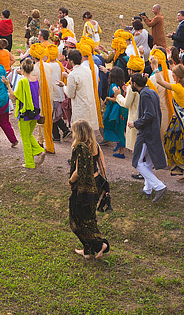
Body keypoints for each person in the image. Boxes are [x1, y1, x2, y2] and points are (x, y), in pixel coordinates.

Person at [68, 120, 110, 259]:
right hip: (96, 183)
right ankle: (87, 250)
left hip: (84, 187)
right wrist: (105, 186)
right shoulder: (96, 146)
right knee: (89, 217)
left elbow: (78, 171)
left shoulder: (81, 148)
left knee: (76, 218)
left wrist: (70, 181)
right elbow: (102, 166)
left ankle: (99, 245)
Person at [128, 74, 168, 202]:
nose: (130, 84)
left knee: (137, 163)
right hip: (153, 131)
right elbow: (157, 113)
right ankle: (147, 189)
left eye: (131, 82)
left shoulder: (144, 95)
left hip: (145, 134)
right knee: (148, 163)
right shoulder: (152, 92)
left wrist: (135, 123)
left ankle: (159, 186)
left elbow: (149, 115)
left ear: (135, 83)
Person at [157, 63, 184, 183]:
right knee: (181, 145)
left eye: (174, 75)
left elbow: (160, 82)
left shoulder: (178, 88)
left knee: (172, 144)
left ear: (178, 76)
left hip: (179, 122)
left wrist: (155, 67)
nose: (172, 76)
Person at [4, 57, 46, 169]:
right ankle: (38, 150)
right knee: (28, 134)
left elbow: (14, 96)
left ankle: (30, 162)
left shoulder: (22, 81)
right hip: (35, 112)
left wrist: (8, 85)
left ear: (22, 69)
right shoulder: (35, 79)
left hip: (25, 113)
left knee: (25, 138)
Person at [61, 50, 97, 130]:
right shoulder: (87, 70)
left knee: (80, 132)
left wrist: (63, 86)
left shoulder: (72, 75)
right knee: (89, 131)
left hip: (80, 107)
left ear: (71, 61)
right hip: (89, 103)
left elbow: (70, 94)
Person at [102, 66, 128, 159]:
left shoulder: (113, 85)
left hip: (114, 109)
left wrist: (107, 98)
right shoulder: (123, 84)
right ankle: (121, 152)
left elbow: (115, 98)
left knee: (108, 125)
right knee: (119, 128)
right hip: (122, 109)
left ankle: (118, 142)